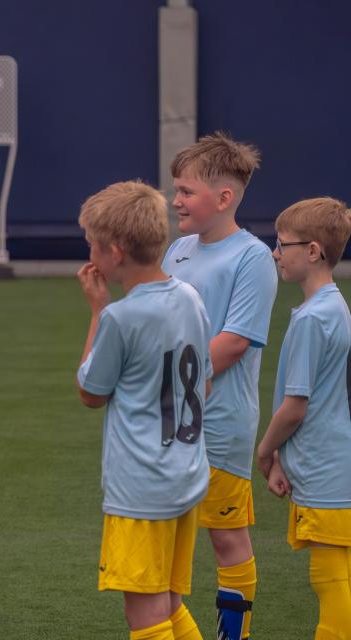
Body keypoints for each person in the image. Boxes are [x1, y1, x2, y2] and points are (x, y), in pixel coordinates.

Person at [77, 181, 212, 640]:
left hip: (141, 487)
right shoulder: (190, 297)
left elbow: (91, 391)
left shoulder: (122, 316)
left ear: (114, 253)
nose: (89, 252)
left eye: (92, 243)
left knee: (146, 614)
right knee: (169, 602)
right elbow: (205, 380)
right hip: (186, 472)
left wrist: (98, 310)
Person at [161, 132, 276, 640]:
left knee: (226, 538)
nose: (175, 200)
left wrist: (171, 385)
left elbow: (233, 343)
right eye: (176, 190)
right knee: (164, 536)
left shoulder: (251, 258)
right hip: (169, 421)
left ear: (224, 198)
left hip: (220, 425)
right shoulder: (178, 250)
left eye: (186, 192)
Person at [257, 197, 351, 640]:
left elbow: (295, 407)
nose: (276, 253)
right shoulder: (334, 306)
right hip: (331, 462)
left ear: (312, 251)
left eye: (282, 244)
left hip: (324, 467)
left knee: (330, 577)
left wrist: (266, 450)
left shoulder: (314, 318)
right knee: (336, 573)